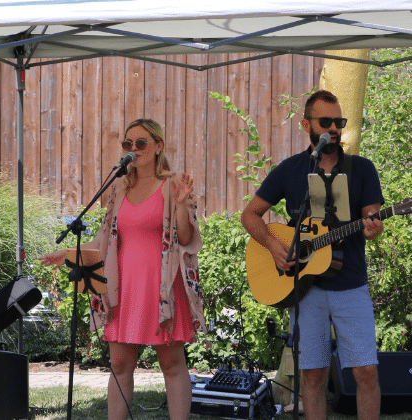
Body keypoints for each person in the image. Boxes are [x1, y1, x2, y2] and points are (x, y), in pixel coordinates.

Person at [40, 118, 207, 420]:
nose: (133, 149)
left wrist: (182, 204)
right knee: (119, 365)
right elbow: (104, 240)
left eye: (140, 143)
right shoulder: (119, 187)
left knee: (171, 364)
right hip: (124, 285)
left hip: (161, 286)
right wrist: (68, 253)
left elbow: (184, 239)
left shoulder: (172, 185)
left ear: (158, 146)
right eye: (128, 144)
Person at [240, 90, 383, 420]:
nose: (334, 128)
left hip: (351, 286)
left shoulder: (361, 168)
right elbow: (250, 215)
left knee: (366, 374)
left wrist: (374, 226)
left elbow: (371, 215)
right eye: (325, 121)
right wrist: (274, 246)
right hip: (305, 291)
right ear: (306, 124)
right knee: (313, 376)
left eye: (339, 121)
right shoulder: (289, 170)